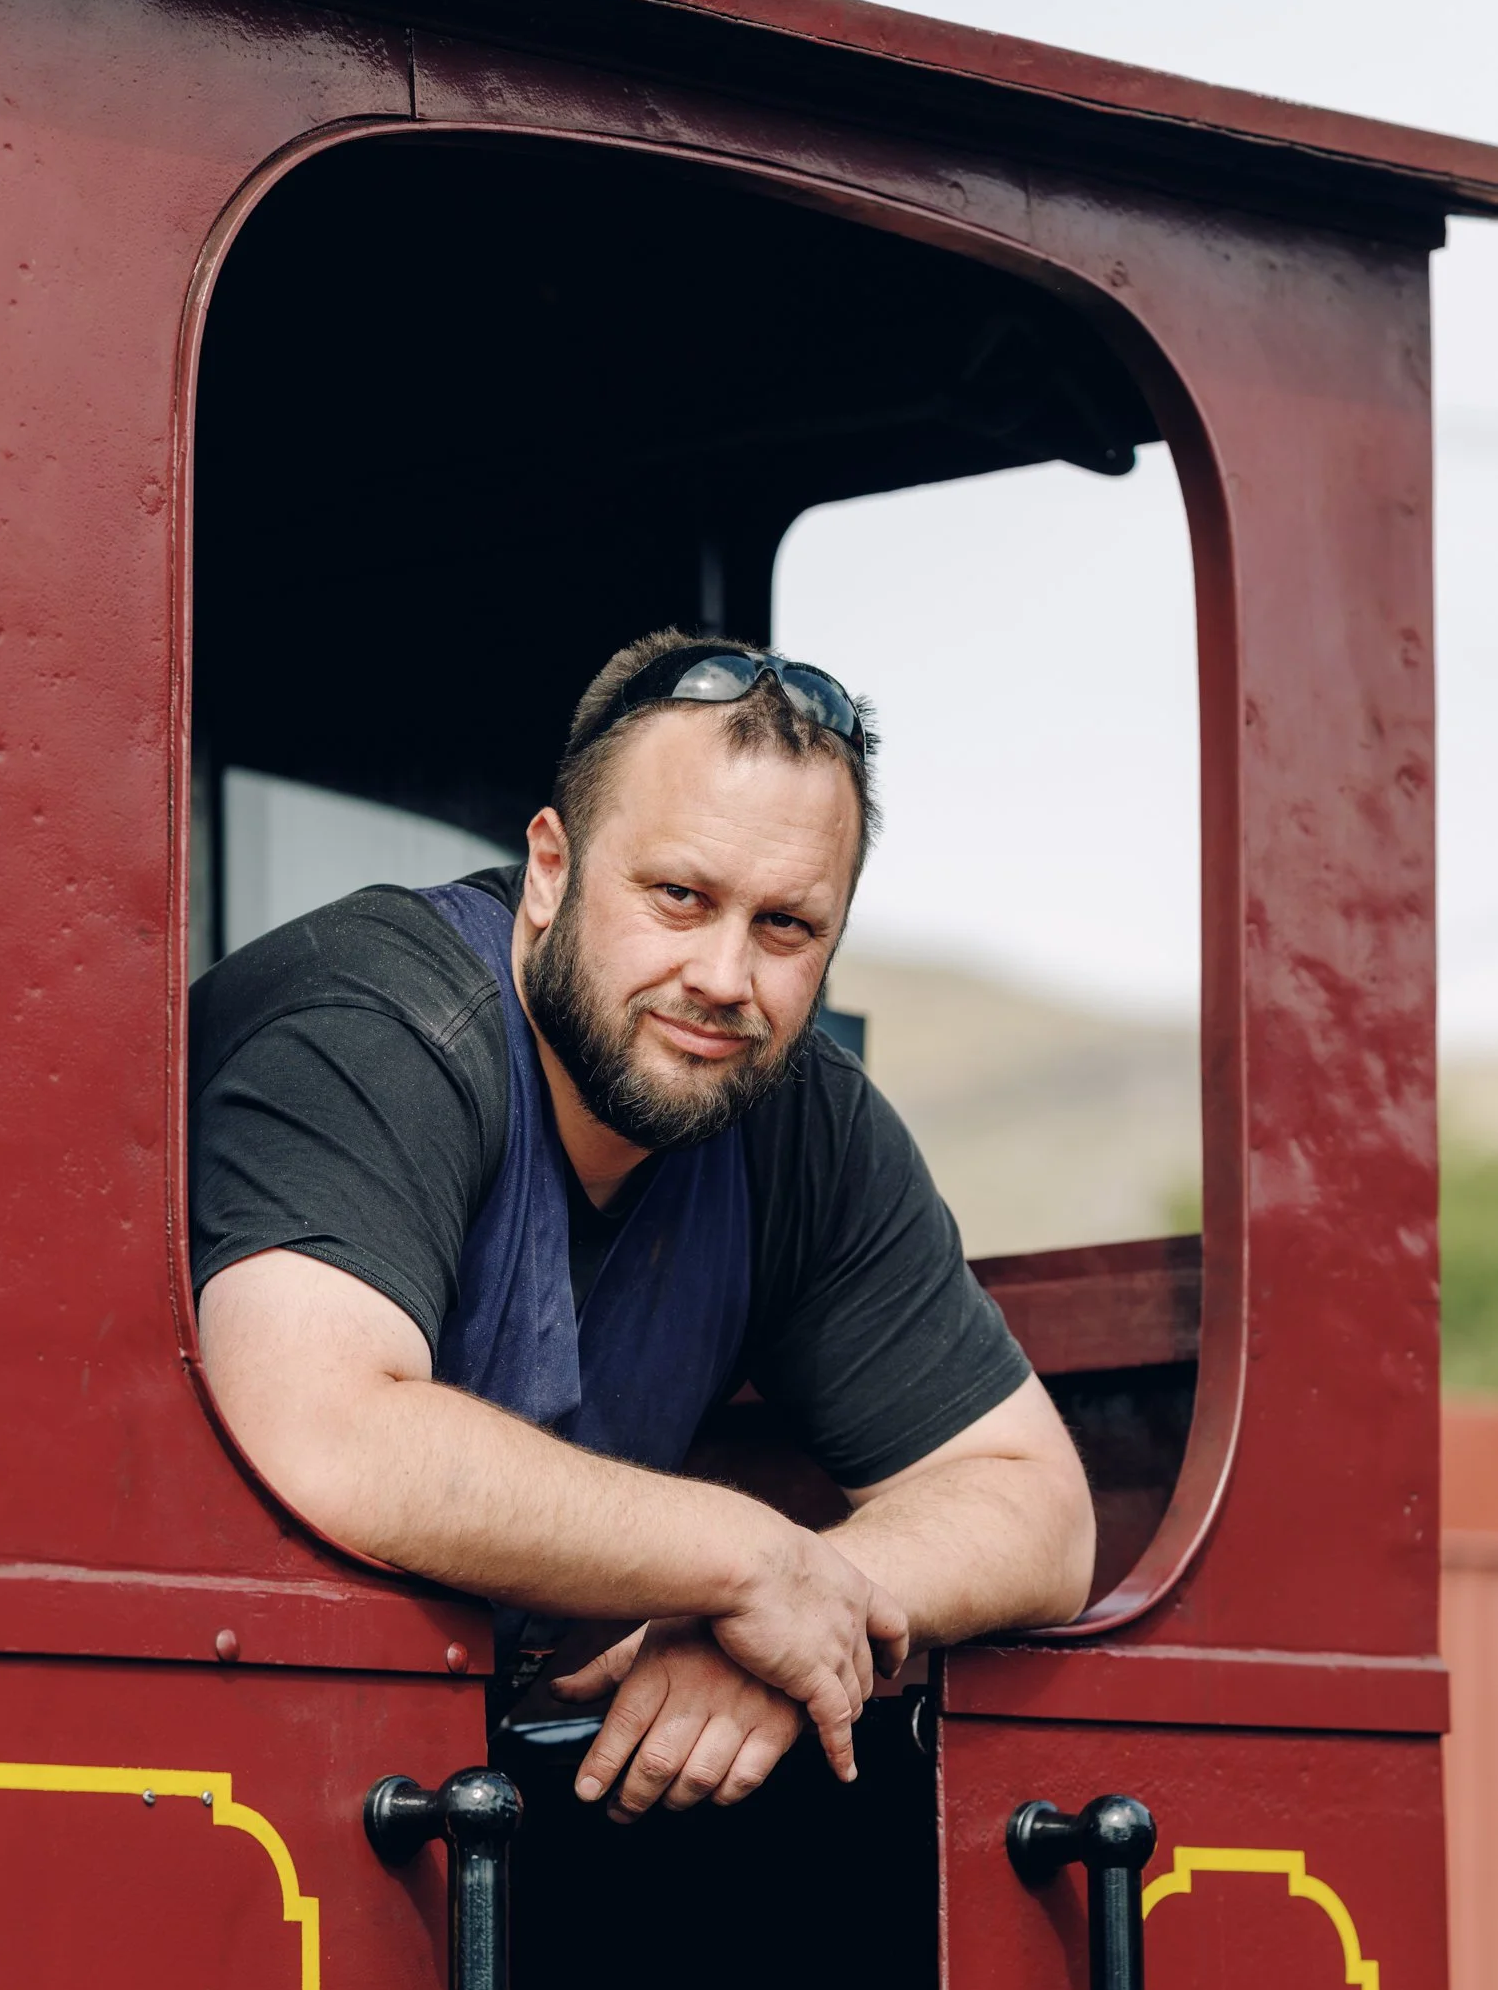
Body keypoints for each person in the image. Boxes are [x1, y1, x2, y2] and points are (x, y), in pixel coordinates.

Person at [189, 629, 1094, 1819]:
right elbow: (330, 1428)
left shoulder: (797, 1118)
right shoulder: (383, 1027)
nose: (724, 975)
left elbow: (1041, 1509)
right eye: (678, 896)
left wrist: (801, 1611)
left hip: (442, 1797)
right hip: (180, 1767)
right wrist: (745, 1558)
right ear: (551, 870)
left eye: (785, 927)